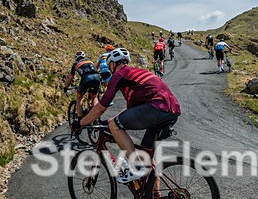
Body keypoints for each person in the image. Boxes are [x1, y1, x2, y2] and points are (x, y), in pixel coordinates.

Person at [72, 47, 181, 183]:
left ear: (113, 64)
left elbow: (101, 106)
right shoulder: (137, 74)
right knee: (146, 156)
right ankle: (154, 198)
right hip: (172, 111)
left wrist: (81, 123)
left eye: (109, 65)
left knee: (115, 126)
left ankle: (136, 166)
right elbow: (132, 113)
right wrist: (110, 122)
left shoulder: (120, 75)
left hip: (156, 107)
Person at [64, 51, 101, 118]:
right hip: (97, 77)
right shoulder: (90, 61)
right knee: (94, 97)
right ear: (84, 56)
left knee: (80, 97)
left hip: (86, 78)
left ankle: (80, 119)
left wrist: (66, 87)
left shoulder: (75, 64)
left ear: (76, 58)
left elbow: (70, 78)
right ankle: (97, 117)